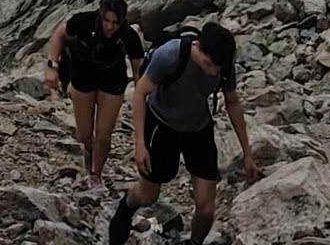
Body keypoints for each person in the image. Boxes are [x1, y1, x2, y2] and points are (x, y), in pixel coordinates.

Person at [105, 20, 254, 243]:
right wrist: (140, 144)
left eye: (218, 67)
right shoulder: (171, 55)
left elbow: (232, 102)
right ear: (199, 49)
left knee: (206, 208)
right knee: (148, 195)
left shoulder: (223, 66)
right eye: (209, 64)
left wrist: (247, 153)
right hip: (161, 126)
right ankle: (127, 206)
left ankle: (194, 242)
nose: (213, 72)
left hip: (198, 128)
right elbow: (140, 94)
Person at [46, 0, 139, 190]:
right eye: (107, 21)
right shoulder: (84, 22)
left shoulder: (128, 35)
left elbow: (139, 66)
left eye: (116, 22)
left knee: (104, 133)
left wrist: (142, 94)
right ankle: (88, 153)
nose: (110, 27)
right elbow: (60, 34)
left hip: (112, 82)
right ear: (100, 15)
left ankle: (96, 174)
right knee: (85, 133)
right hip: (83, 78)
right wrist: (52, 67)